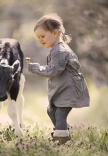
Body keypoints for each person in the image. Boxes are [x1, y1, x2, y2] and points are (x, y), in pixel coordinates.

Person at [27, 13, 90, 144]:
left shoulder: (60, 51)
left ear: (55, 33)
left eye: (43, 36)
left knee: (60, 114)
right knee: (51, 111)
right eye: (38, 37)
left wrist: (36, 68)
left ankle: (61, 141)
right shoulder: (55, 49)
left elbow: (54, 71)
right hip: (62, 88)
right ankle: (63, 131)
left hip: (69, 89)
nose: (40, 40)